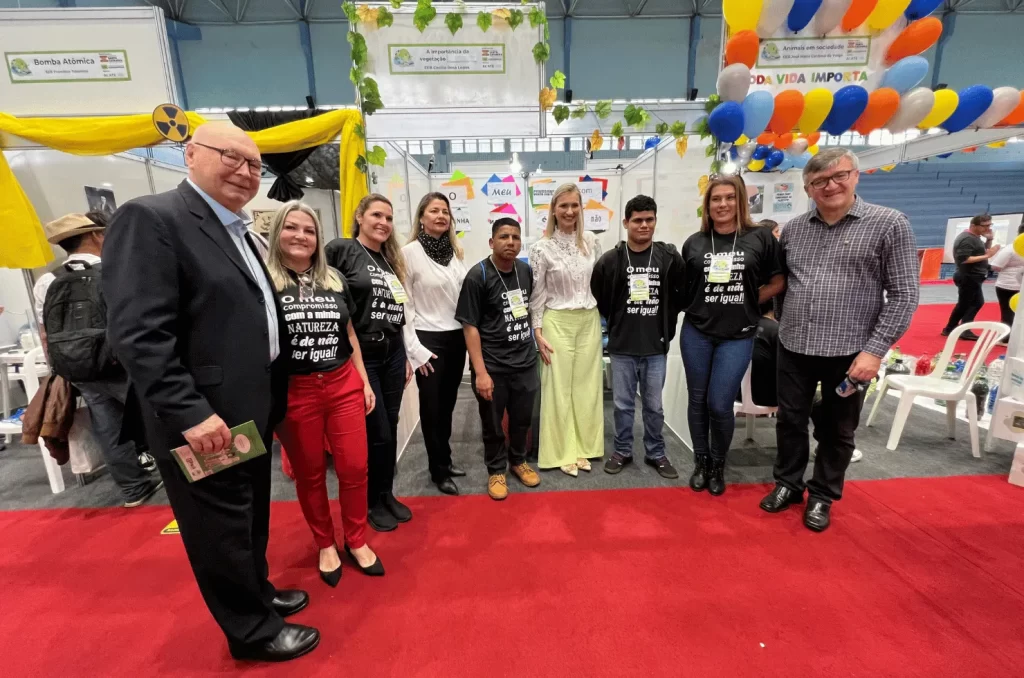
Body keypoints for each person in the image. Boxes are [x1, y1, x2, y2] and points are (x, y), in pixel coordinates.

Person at [103, 122, 319, 661]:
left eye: (254, 164)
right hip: (202, 420)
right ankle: (252, 631)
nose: (246, 172)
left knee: (249, 515)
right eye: (232, 157)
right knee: (218, 526)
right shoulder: (153, 219)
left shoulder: (238, 230)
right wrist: (190, 413)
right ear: (191, 154)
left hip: (248, 409)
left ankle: (259, 594)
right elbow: (139, 334)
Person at [760, 148, 918, 532]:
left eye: (839, 176)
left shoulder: (889, 224)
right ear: (808, 188)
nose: (830, 186)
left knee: (837, 429)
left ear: (856, 176)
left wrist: (875, 350)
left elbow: (904, 294)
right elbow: (784, 285)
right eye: (819, 181)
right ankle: (788, 483)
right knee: (790, 421)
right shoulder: (793, 230)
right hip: (794, 345)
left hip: (850, 354)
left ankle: (822, 495)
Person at [267, 201, 384, 587]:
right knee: (310, 474)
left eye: (309, 230)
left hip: (342, 382)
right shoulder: (265, 282)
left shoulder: (333, 278)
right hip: (295, 390)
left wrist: (364, 381)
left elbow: (349, 333)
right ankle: (325, 543)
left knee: (354, 468)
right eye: (292, 228)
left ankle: (356, 538)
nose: (301, 236)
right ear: (277, 233)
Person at [33, 212, 161, 506]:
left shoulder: (47, 281)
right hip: (123, 361)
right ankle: (178, 473)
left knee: (107, 425)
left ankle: (133, 489)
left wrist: (61, 368)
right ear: (95, 236)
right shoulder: (117, 270)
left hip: (79, 368)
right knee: (156, 416)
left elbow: (45, 333)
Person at [680, 175, 784, 496]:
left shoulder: (760, 238)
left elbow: (778, 281)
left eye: (728, 198)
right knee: (697, 400)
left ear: (740, 201)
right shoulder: (695, 242)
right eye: (715, 199)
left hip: (737, 335)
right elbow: (686, 288)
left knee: (720, 403)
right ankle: (701, 461)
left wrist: (752, 304)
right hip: (696, 331)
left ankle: (718, 462)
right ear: (707, 205)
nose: (722, 204)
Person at [325, 194, 413, 533]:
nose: (384, 223)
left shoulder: (390, 261)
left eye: (389, 218)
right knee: (374, 430)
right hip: (364, 355)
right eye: (377, 214)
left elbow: (397, 314)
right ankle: (370, 501)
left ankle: (385, 493)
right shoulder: (342, 250)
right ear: (359, 216)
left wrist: (404, 354)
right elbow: (328, 298)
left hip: (393, 352)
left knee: (389, 428)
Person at [591, 195, 684, 479]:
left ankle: (656, 452)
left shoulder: (668, 257)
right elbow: (601, 296)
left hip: (655, 346)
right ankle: (622, 450)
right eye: (637, 220)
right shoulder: (611, 259)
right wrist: (617, 324)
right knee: (622, 404)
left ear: (655, 221)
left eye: (649, 220)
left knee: (654, 405)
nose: (644, 225)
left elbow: (680, 294)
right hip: (622, 346)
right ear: (626, 223)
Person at [456, 217, 541, 500]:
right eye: (504, 237)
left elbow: (528, 311)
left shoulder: (525, 271)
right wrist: (480, 372)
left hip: (525, 361)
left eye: (515, 238)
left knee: (521, 419)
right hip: (492, 365)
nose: (510, 243)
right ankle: (496, 470)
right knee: (492, 423)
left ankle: (518, 461)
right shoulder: (477, 275)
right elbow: (470, 326)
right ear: (492, 242)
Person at [530, 183, 604, 476]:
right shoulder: (541, 248)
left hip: (589, 321)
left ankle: (585, 447)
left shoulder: (591, 241)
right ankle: (561, 451)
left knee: (587, 388)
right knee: (558, 390)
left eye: (575, 205)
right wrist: (537, 332)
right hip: (556, 321)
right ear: (554, 210)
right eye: (564, 206)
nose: (570, 211)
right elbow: (537, 294)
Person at [402, 192, 468, 496]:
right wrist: (415, 350)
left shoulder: (454, 252)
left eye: (445, 211)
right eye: (434, 211)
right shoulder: (408, 253)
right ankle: (438, 470)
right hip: (427, 340)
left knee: (448, 406)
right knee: (431, 409)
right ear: (421, 217)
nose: (441, 216)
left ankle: (446, 459)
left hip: (456, 338)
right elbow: (406, 307)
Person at [942, 214, 998, 341]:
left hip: (972, 275)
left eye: (989, 225)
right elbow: (964, 259)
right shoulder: (967, 239)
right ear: (973, 225)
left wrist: (989, 240)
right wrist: (987, 256)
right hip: (968, 275)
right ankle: (961, 329)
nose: (988, 228)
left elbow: (980, 252)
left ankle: (951, 328)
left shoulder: (974, 237)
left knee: (967, 303)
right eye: (985, 226)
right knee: (971, 303)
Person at [990, 222, 1024, 330]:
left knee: (1007, 311)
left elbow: (996, 266)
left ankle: (1006, 337)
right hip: (1020, 284)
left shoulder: (1011, 248)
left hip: (1007, 284)